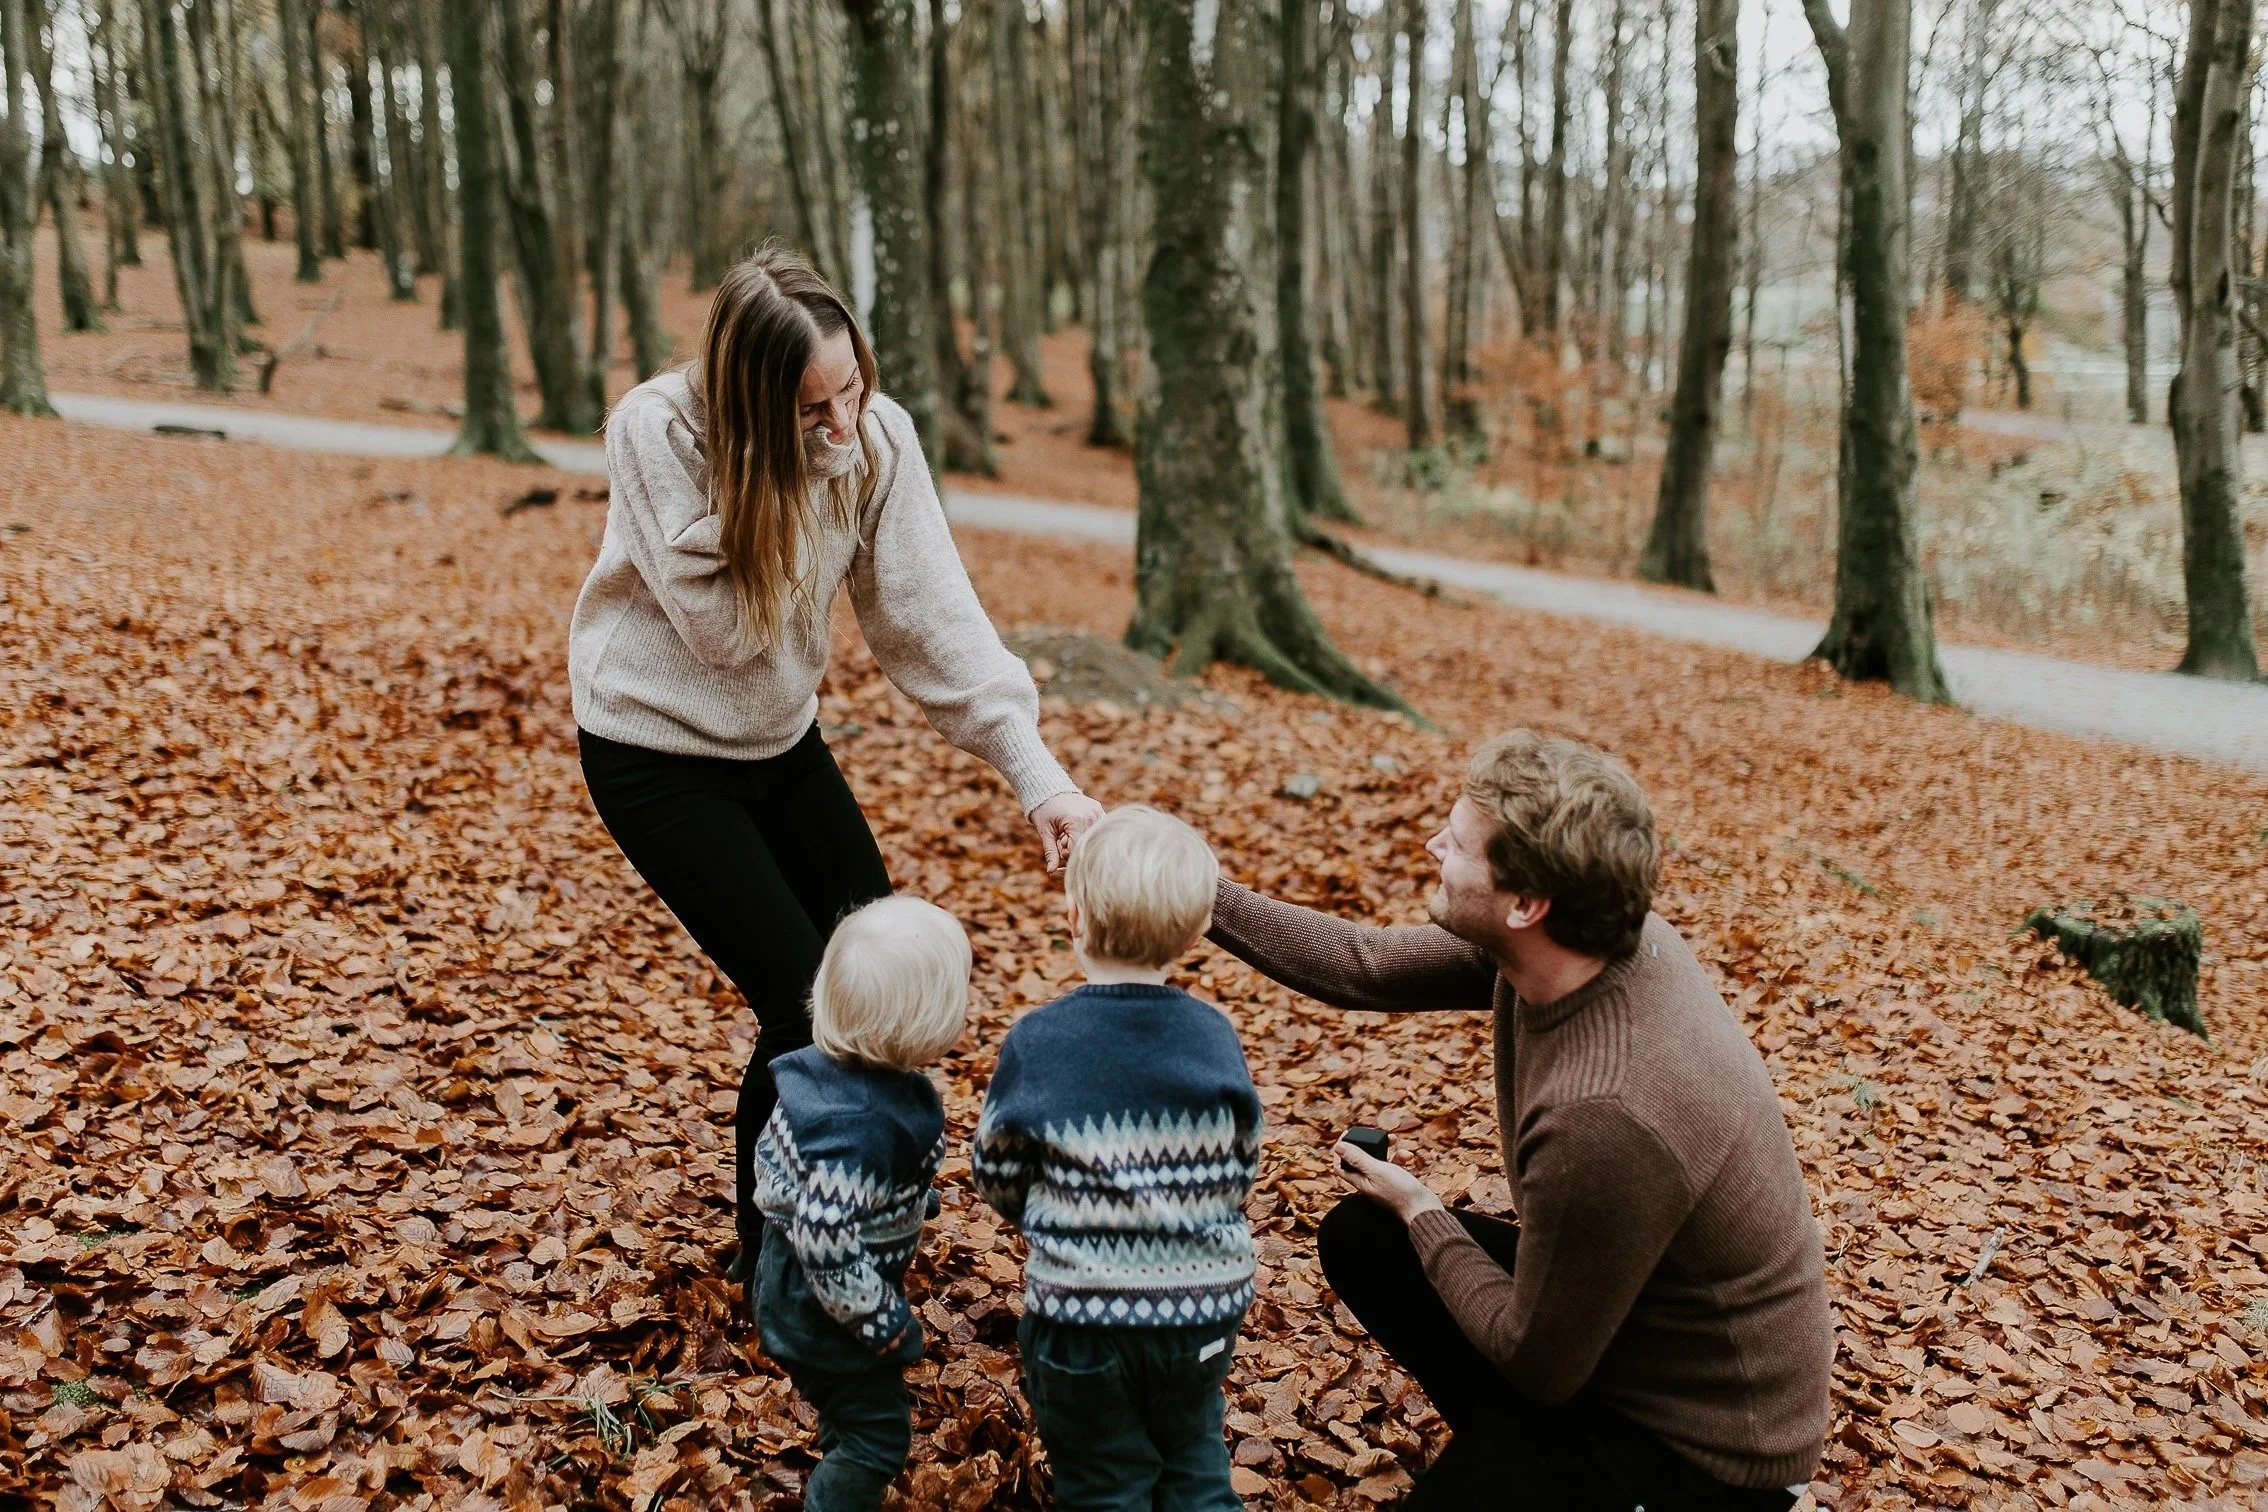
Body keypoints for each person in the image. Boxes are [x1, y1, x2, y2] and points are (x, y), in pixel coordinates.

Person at [568, 246, 1102, 1299]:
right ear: (749, 402)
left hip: (779, 742)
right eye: (812, 408)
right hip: (652, 748)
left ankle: (844, 1206)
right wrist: (791, 471)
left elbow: (928, 619)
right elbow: (725, 633)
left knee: (880, 980)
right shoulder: (658, 431)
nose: (844, 425)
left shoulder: (874, 439)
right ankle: (776, 1262)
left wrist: (1038, 775)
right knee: (805, 1006)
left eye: (852, 387)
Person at [1206, 731, 1833, 1510]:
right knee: (1364, 1241)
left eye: (1460, 843)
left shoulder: (1604, 1113)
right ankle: (1519, 1460)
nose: (1435, 841)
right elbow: (1359, 965)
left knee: (1403, 1232)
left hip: (1707, 1446)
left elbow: (1538, 1363)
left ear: (1525, 902)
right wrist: (1191, 885)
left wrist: (1423, 1208)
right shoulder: (1571, 945)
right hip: (1628, 1339)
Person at [973, 807, 1263, 1511]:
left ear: (1073, 913)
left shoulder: (1039, 1041)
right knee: (1192, 1454)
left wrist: (1048, 1212)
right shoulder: (1213, 1035)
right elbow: (1241, 1162)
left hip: (1085, 1318)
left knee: (1107, 1479)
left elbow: (998, 1169)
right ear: (1196, 933)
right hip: (1202, 1308)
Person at [750, 896, 968, 1510]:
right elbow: (823, 1233)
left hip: (791, 1279)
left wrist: (906, 1198)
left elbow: (785, 1164)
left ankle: (836, 1442)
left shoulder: (821, 1075)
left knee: (848, 1407)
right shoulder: (861, 1127)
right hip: (823, 1309)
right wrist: (879, 1322)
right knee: (878, 1437)